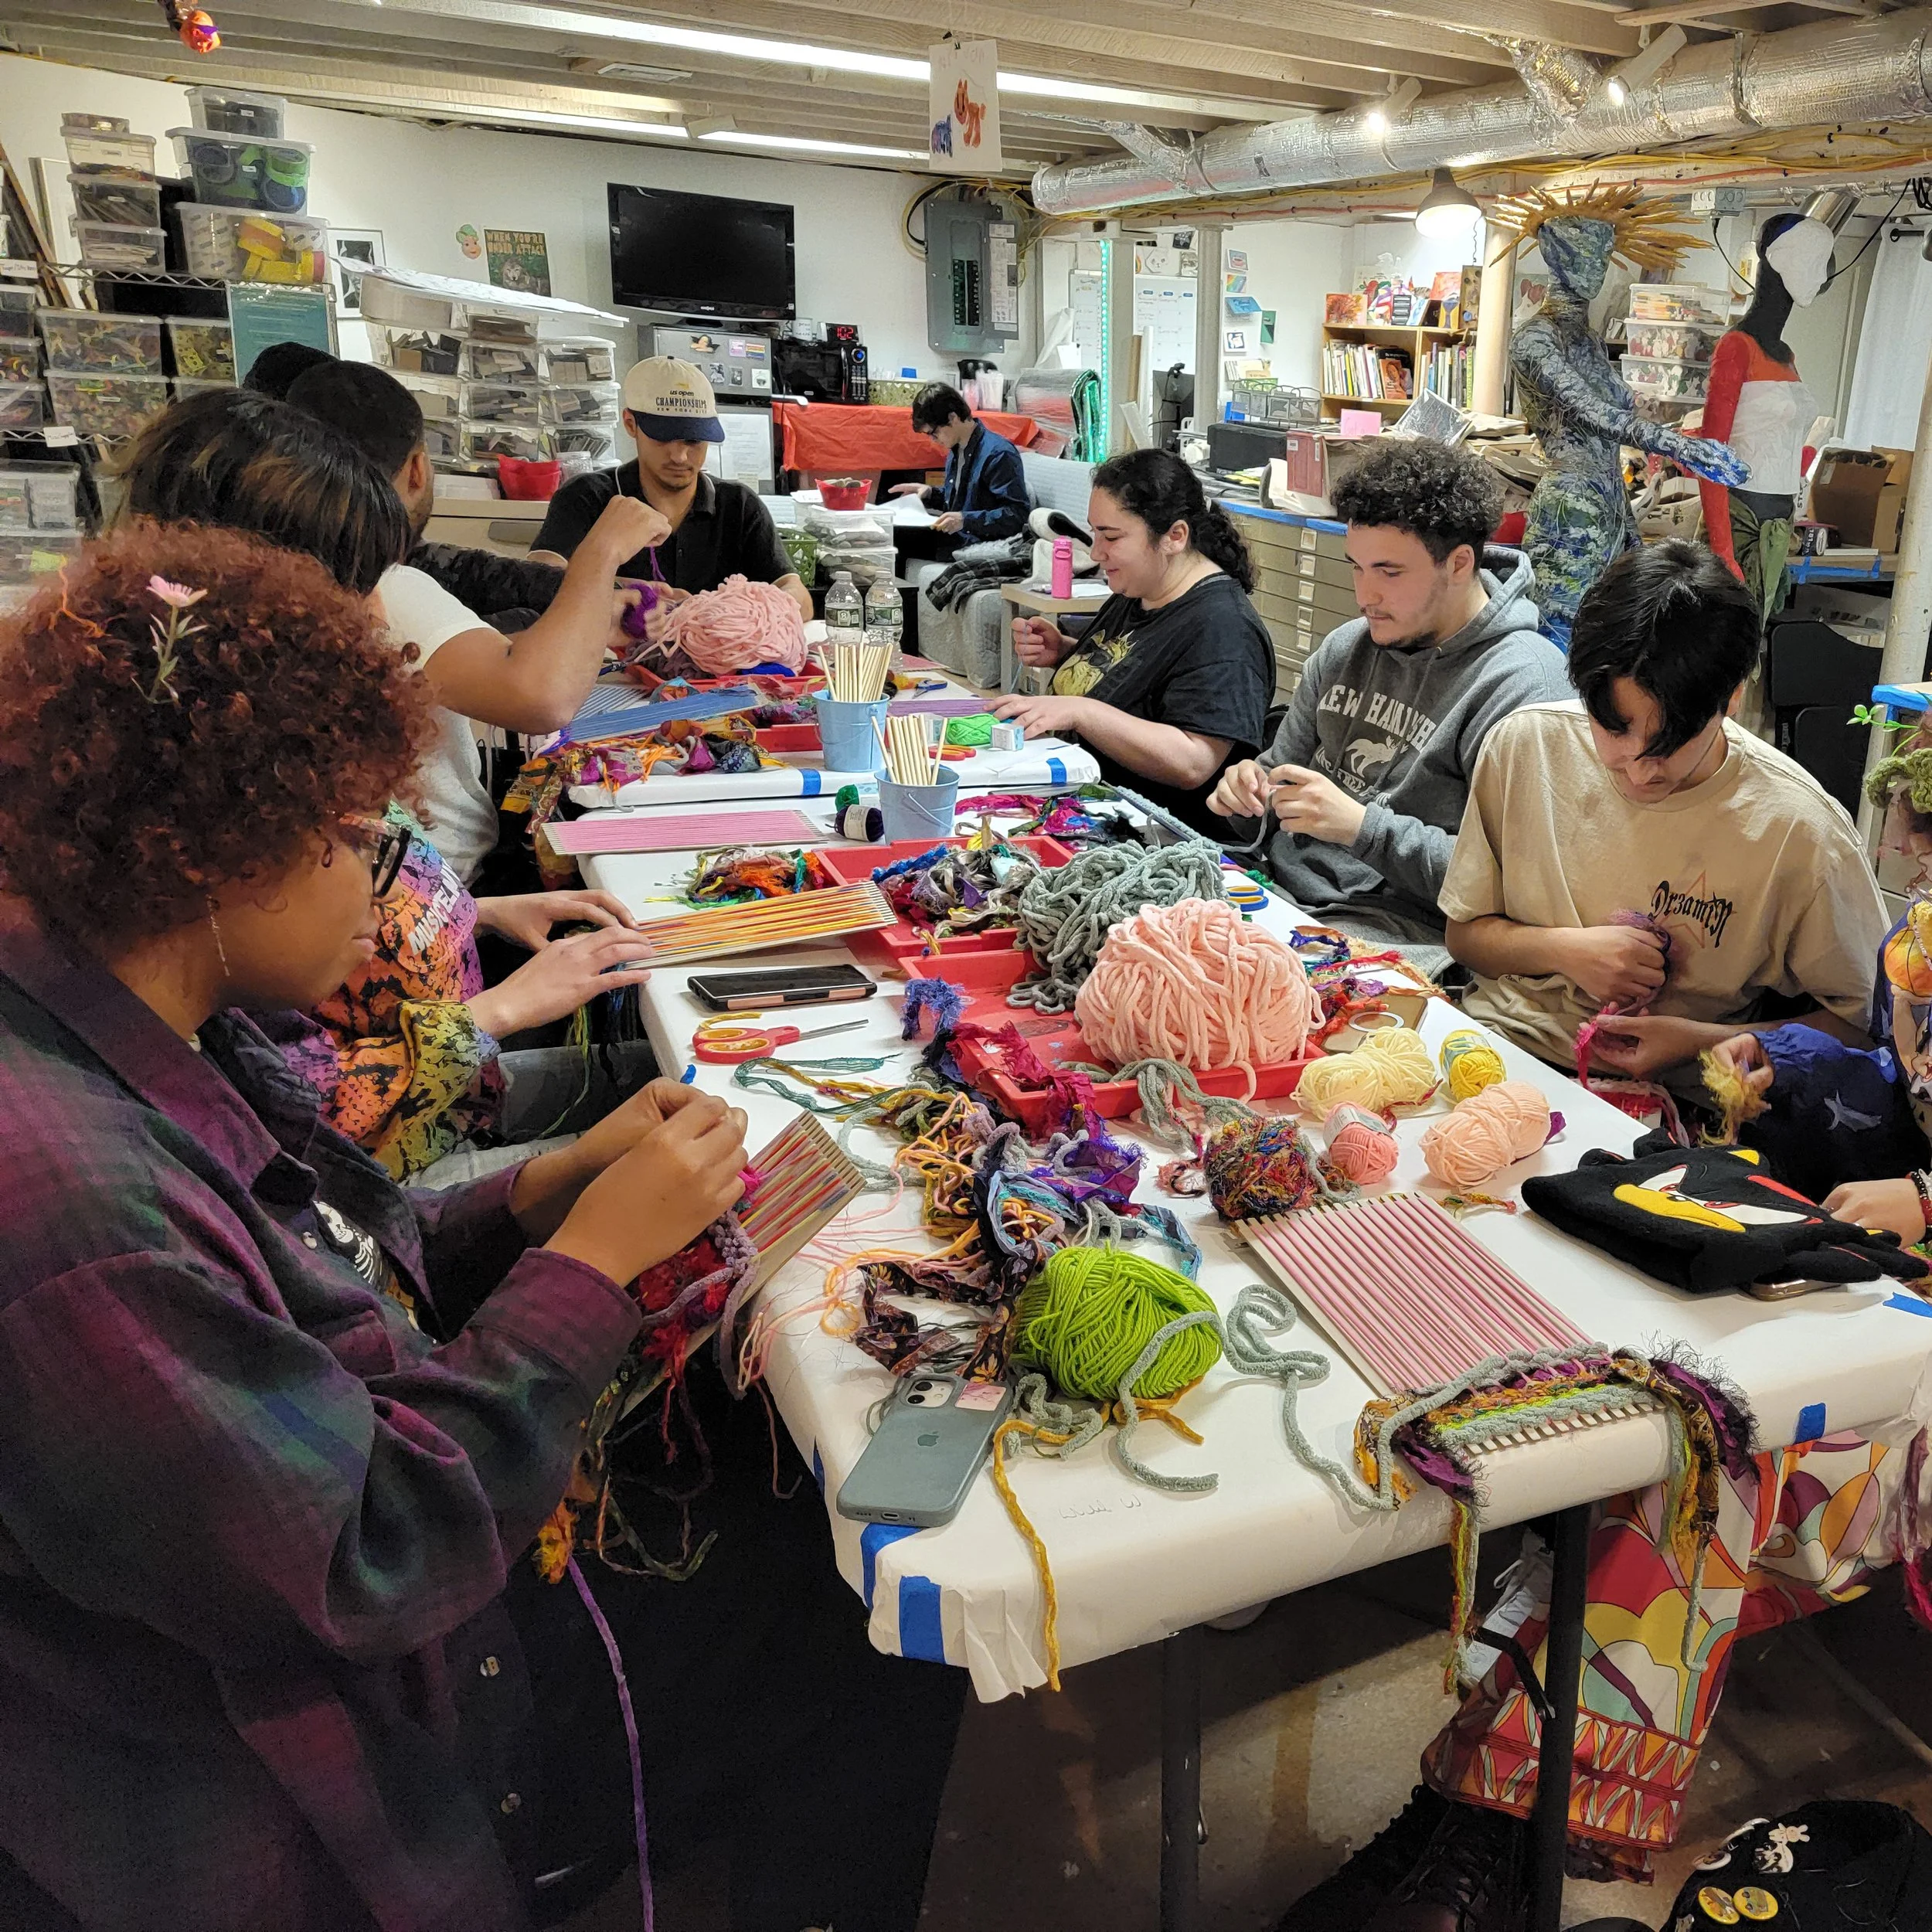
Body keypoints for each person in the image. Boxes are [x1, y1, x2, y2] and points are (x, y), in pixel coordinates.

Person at [0, 520, 964, 1932]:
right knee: (869, 1599)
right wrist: (586, 1268)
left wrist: (544, 1189)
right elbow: (371, 1550)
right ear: (214, 849)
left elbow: (328, 1274)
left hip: (331, 1593)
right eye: (354, 837)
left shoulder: (146, 1024)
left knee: (780, 1474)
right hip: (328, 1769)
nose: (393, 879)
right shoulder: (76, 1210)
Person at [131, 380, 663, 886]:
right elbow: (539, 695)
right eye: (362, 588)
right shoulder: (268, 787)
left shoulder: (201, 674)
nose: (378, 617)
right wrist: (600, 554)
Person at [1440, 539, 1887, 1089]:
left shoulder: (1801, 830)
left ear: (1731, 702)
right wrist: (1564, 951)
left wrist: (1701, 1041)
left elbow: (1868, 1027)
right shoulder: (1525, 745)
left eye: (1668, 746)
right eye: (1614, 732)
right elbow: (1464, 937)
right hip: (1496, 1045)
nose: (1639, 772)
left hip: (1670, 1097)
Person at [1206, 440, 1566, 970]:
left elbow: (1513, 884)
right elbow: (1272, 783)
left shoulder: (1524, 686)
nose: (1364, 595)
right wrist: (1246, 795)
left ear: (1459, 564)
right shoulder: (1347, 647)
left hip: (1397, 935)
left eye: (1389, 572)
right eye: (1356, 568)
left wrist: (1360, 827)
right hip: (1277, 893)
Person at [264, 811, 660, 1185]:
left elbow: (402, 926)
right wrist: (496, 1012)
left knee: (668, 1084)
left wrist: (480, 913)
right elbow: (308, 1113)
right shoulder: (280, 852)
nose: (393, 895)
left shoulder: (353, 796)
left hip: (465, 1099)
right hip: (393, 1169)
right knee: (671, 1150)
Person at [991, 447, 1273, 831]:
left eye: (1111, 536)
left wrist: (1083, 712)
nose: (1095, 552)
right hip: (1084, 810)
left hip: (1154, 839)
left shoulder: (1225, 630)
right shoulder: (1140, 590)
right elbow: (1138, 673)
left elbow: (1194, 761)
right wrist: (1065, 652)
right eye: (1094, 533)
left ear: (1174, 536)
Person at [282, 351, 568, 628]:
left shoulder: (276, 564)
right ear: (417, 468)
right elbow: (488, 659)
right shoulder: (381, 588)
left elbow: (468, 575)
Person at [530, 355, 811, 636]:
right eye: (663, 437)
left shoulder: (739, 505)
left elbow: (798, 596)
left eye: (693, 441)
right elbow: (538, 577)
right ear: (630, 424)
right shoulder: (585, 497)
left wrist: (737, 613)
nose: (680, 456)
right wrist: (617, 592)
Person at [889, 380, 1029, 542]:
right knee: (889, 526)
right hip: (960, 535)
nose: (933, 440)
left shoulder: (998, 454)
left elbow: (1018, 515)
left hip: (977, 539)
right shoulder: (957, 448)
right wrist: (930, 493)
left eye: (934, 433)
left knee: (895, 536)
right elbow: (958, 503)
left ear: (953, 417)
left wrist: (965, 520)